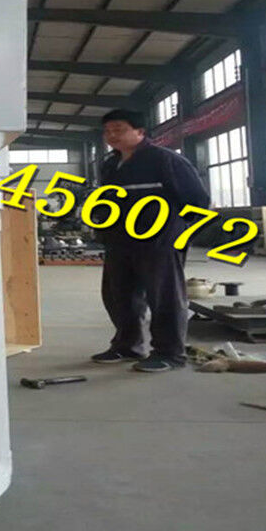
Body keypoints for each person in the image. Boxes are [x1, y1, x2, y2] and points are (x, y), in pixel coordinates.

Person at [90, 109, 210, 373]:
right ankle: (128, 345)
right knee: (118, 296)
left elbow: (198, 201)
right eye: (107, 131)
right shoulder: (110, 164)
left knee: (164, 297)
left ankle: (170, 353)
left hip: (159, 241)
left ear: (140, 132)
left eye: (119, 129)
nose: (111, 136)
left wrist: (175, 232)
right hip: (119, 240)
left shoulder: (166, 160)